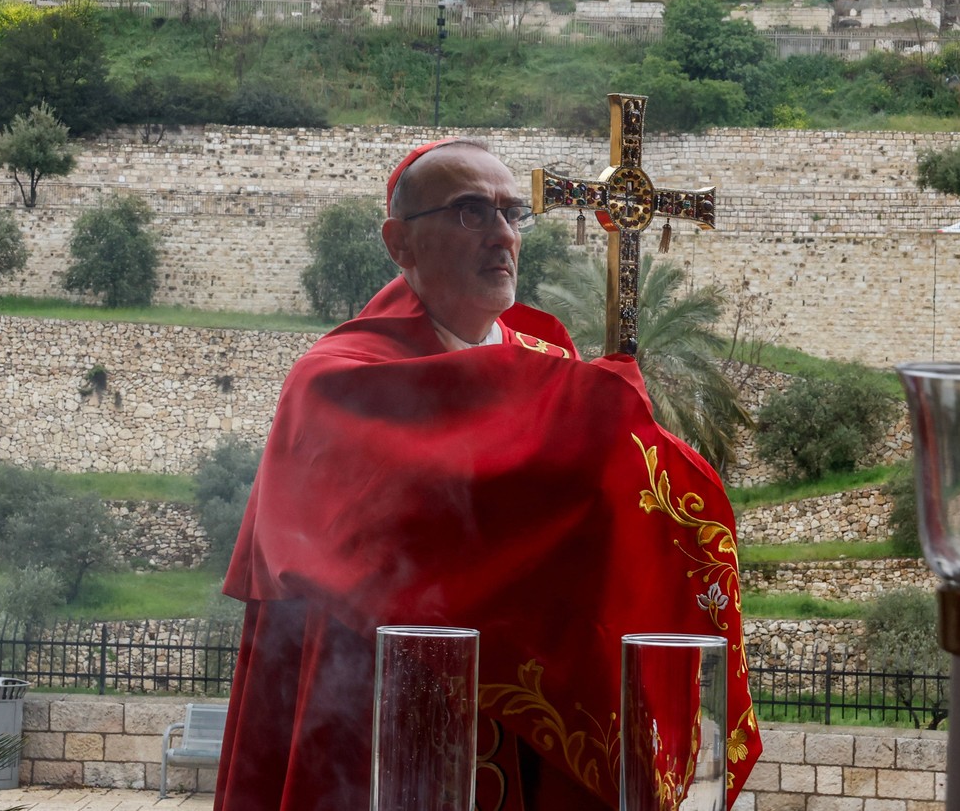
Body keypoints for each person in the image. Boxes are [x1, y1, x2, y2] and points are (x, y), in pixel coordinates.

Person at [215, 138, 759, 811]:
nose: (503, 234)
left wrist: (612, 434)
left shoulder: (552, 361)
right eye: (471, 213)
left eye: (511, 214)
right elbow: (430, 516)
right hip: (373, 720)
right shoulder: (336, 382)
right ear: (400, 243)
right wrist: (594, 413)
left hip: (538, 732)